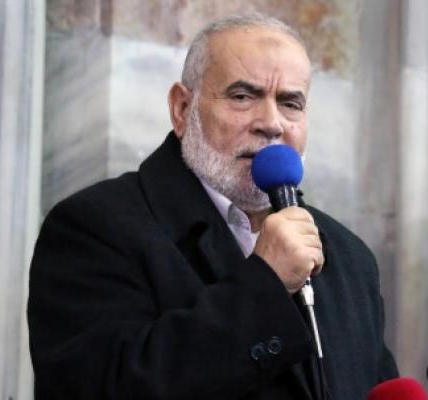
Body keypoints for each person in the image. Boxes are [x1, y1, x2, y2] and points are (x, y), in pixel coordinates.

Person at [28, 13, 398, 400]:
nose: (271, 123)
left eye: (290, 103)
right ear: (182, 109)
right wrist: (267, 283)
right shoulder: (95, 227)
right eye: (243, 96)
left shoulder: (350, 257)